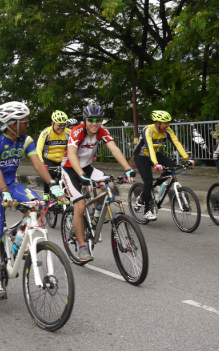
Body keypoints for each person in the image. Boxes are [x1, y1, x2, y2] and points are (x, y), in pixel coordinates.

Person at [0, 101, 67, 300]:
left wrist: (53, 185)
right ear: (13, 123)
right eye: (25, 122)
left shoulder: (26, 140)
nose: (28, 125)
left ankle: (18, 239)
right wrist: (4, 192)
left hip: (11, 184)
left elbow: (38, 164)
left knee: (37, 204)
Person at [63, 105, 135, 262]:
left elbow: (114, 149)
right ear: (84, 119)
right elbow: (72, 154)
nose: (94, 124)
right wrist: (81, 175)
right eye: (90, 120)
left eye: (98, 120)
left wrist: (128, 168)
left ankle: (95, 216)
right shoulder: (77, 131)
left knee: (109, 186)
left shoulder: (102, 130)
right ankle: (82, 247)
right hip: (71, 170)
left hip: (87, 168)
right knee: (80, 206)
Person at [131, 111, 194, 220]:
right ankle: (147, 211)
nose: (168, 125)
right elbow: (150, 147)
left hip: (154, 154)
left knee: (172, 166)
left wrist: (187, 159)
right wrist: (155, 164)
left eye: (168, 123)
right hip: (141, 155)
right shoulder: (148, 130)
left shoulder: (167, 131)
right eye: (165, 123)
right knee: (148, 181)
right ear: (157, 123)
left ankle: (155, 187)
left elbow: (177, 143)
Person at [36, 110, 71, 200]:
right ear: (53, 123)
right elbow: (39, 148)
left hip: (63, 160)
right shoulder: (46, 133)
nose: (62, 127)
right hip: (49, 159)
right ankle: (46, 193)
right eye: (59, 125)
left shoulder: (68, 132)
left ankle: (66, 193)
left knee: (67, 176)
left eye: (64, 125)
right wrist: (41, 163)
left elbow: (75, 147)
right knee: (48, 174)